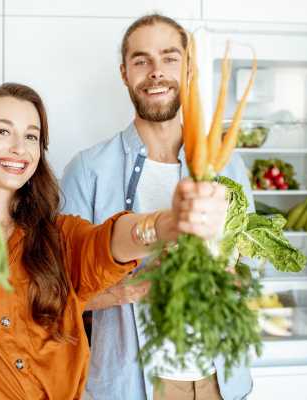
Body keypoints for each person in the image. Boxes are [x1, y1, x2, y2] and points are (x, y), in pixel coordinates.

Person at [0, 83, 229, 400]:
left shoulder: (61, 236)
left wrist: (162, 224)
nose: (19, 148)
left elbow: (109, 241)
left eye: (32, 136)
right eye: (2, 131)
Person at [61, 14, 255, 400]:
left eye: (169, 58)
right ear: (124, 73)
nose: (156, 72)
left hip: (219, 382)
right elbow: (58, 289)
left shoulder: (227, 165)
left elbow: (250, 265)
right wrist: (132, 289)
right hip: (130, 386)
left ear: (188, 68)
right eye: (141, 60)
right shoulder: (89, 170)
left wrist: (228, 275)